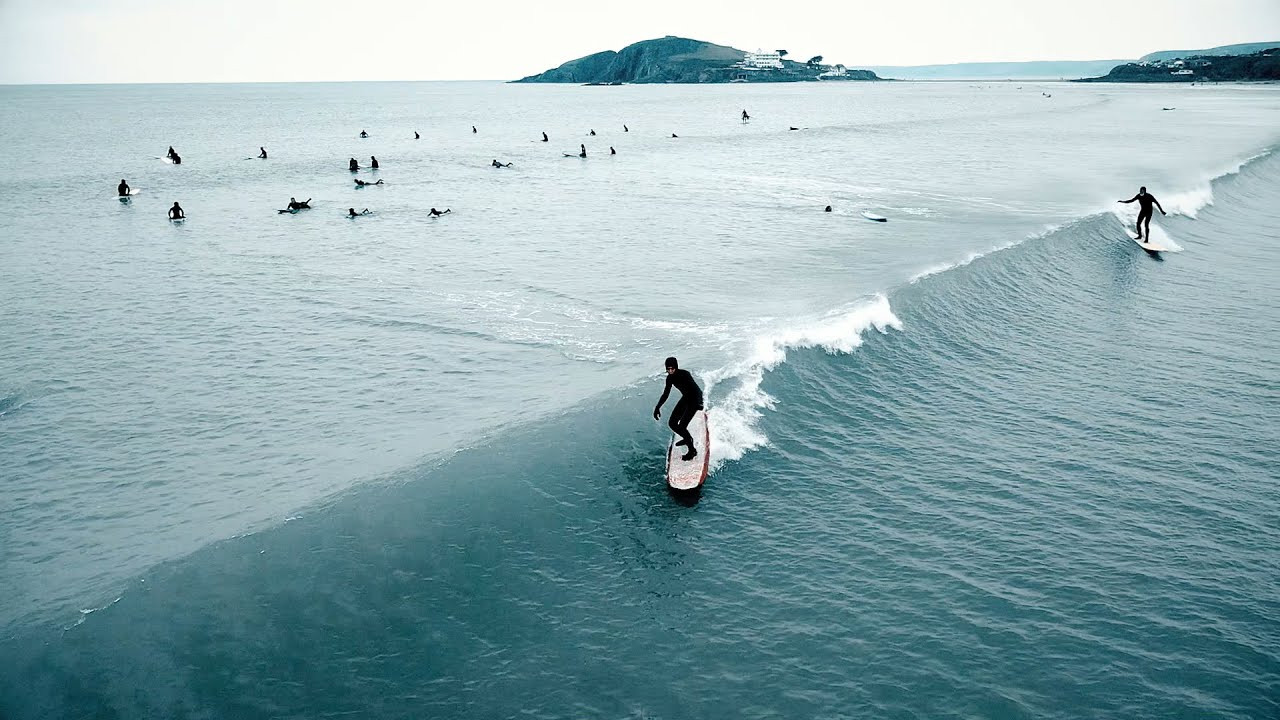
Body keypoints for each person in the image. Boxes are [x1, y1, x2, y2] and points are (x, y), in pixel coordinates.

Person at [653, 356, 704, 461]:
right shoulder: (670, 378)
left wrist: (700, 403)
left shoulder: (685, 374)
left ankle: (692, 450)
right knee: (672, 423)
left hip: (694, 399)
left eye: (672, 369)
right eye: (668, 369)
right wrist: (657, 407)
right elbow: (665, 394)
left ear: (676, 367)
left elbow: (695, 389)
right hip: (686, 398)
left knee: (682, 426)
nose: (670, 371)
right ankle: (686, 438)